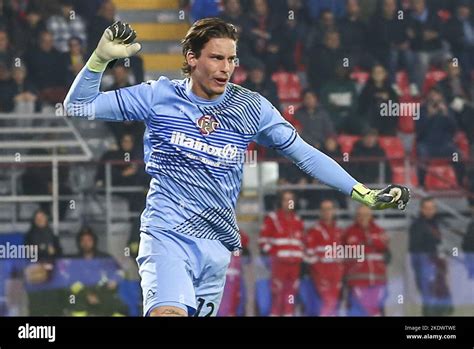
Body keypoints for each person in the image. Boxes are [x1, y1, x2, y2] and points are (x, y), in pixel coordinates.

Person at [63, 18, 410, 317]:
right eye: (216, 58)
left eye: (231, 59)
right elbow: (78, 107)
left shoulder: (251, 108)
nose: (226, 68)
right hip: (166, 234)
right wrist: (99, 60)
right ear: (191, 58)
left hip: (216, 246)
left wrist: (362, 192)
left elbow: (304, 153)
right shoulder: (159, 97)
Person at [259, 191, 305, 316]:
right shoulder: (272, 218)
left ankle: (289, 314)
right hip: (279, 264)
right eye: (286, 200)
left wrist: (299, 255)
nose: (289, 203)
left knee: (291, 295)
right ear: (281, 202)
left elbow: (301, 242)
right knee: (277, 293)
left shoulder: (298, 220)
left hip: (294, 265)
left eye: (291, 200)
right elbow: (263, 241)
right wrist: (275, 254)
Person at [304, 199, 344, 316]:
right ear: (320, 212)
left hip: (336, 275)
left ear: (334, 211)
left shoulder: (339, 231)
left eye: (329, 209)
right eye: (324, 209)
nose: (327, 212)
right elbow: (309, 256)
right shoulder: (314, 231)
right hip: (320, 274)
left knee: (334, 303)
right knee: (328, 302)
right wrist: (319, 271)